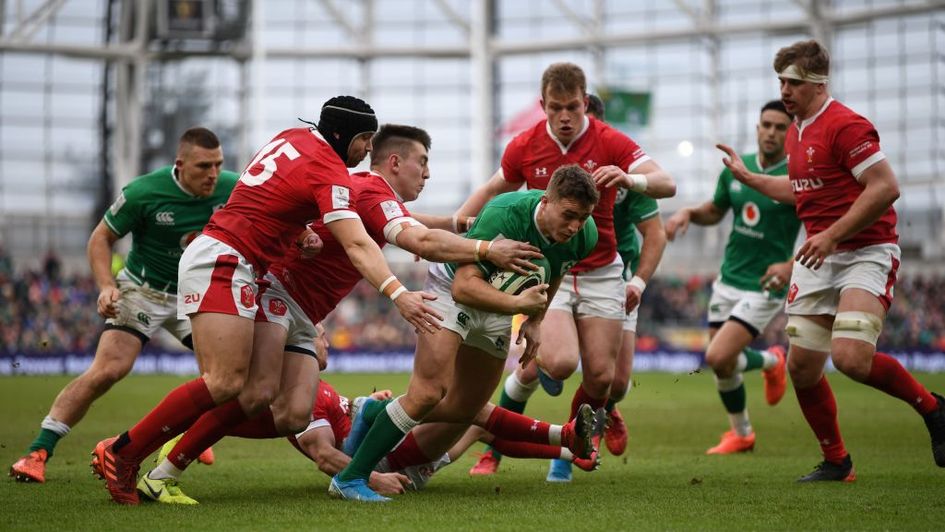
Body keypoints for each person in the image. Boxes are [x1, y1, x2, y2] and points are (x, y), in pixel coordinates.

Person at [129, 124, 544, 503]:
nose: (428, 173)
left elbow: (410, 221)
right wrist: (484, 248)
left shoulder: (366, 190)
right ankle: (163, 459)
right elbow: (416, 237)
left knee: (292, 413)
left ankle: (175, 439)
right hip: (277, 291)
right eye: (424, 162)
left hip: (305, 312)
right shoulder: (367, 190)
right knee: (251, 392)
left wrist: (460, 222)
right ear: (395, 162)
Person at [91, 97, 442, 505]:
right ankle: (125, 451)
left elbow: (266, 199)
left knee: (270, 402)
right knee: (225, 382)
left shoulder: (292, 139)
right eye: (364, 139)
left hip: (239, 261)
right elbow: (358, 243)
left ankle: (147, 461)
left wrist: (298, 233)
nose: (367, 150)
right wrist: (398, 295)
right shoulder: (328, 168)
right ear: (344, 135)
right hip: (226, 258)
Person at [717, 39, 945, 481]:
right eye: (781, 80)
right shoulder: (798, 129)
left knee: (851, 359)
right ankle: (838, 462)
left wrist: (830, 236)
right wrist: (752, 179)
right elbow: (799, 190)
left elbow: (884, 187)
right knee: (802, 368)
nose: (784, 90)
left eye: (794, 82)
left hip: (865, 251)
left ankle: (934, 409)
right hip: (821, 253)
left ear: (819, 84)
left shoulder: (846, 125)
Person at [455, 63, 676, 483]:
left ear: (585, 101)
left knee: (605, 378)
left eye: (573, 106)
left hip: (602, 271)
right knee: (555, 361)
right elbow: (490, 191)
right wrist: (452, 234)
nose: (565, 116)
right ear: (543, 105)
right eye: (555, 108)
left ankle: (570, 449)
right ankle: (509, 448)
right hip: (545, 270)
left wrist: (629, 177)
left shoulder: (610, 141)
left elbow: (666, 184)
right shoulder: (525, 145)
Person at [330, 164, 601, 502]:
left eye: (584, 217)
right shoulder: (505, 215)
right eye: (569, 215)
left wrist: (534, 319)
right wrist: (517, 303)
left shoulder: (586, 234)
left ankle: (372, 412)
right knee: (429, 393)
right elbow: (464, 287)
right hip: (452, 291)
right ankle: (350, 477)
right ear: (545, 202)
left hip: (500, 302)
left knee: (465, 408)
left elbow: (555, 272)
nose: (576, 226)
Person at [9, 128, 237, 484]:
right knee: (109, 369)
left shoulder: (232, 187)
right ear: (180, 165)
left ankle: (181, 437)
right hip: (143, 290)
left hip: (198, 294)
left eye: (218, 164)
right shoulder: (144, 192)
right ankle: (38, 452)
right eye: (204, 166)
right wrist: (105, 286)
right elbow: (101, 237)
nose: (213, 174)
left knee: (224, 379)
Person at [665, 100, 799, 455]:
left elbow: (822, 227)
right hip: (729, 278)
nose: (771, 132)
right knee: (723, 366)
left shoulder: (798, 177)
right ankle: (742, 433)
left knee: (717, 356)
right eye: (765, 125)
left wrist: (791, 264)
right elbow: (715, 210)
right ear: (757, 128)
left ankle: (772, 361)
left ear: (792, 132)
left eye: (780, 127)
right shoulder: (737, 170)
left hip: (765, 284)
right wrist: (688, 214)